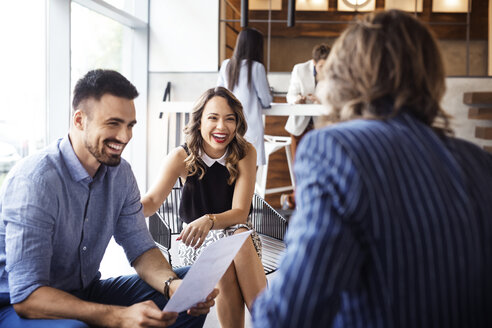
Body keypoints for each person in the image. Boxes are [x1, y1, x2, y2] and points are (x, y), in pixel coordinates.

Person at [252, 10, 492, 328]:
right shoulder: (479, 162)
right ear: (432, 77)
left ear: (343, 76)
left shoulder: (335, 150)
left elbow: (290, 315)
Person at [0, 69, 218, 328]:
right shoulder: (35, 181)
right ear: (80, 120)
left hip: (86, 291)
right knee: (75, 327)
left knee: (189, 288)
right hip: (19, 305)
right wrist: (116, 316)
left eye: (130, 125)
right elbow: (27, 298)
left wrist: (172, 286)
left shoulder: (121, 174)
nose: (125, 137)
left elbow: (141, 249)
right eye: (113, 123)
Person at [142, 87, 267, 328]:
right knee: (225, 256)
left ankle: (269, 322)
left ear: (237, 123)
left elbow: (240, 212)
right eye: (213, 118)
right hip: (194, 242)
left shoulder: (245, 152)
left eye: (230, 119)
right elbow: (151, 202)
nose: (222, 127)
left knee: (238, 238)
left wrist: (209, 219)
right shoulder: (181, 157)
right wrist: (116, 206)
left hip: (240, 238)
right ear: (199, 121)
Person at [280, 43, 330, 209]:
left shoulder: (332, 70)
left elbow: (335, 98)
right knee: (298, 167)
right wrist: (298, 100)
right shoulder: (300, 69)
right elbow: (290, 95)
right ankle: (297, 201)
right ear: (314, 63)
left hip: (320, 128)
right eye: (322, 66)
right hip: (300, 126)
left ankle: (308, 201)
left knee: (319, 167)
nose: (325, 69)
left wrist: (320, 100)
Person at [217, 27, 273, 166]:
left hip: (230, 126)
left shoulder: (226, 65)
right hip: (250, 128)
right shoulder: (256, 67)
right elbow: (266, 100)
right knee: (250, 173)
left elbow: (218, 93)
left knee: (231, 172)